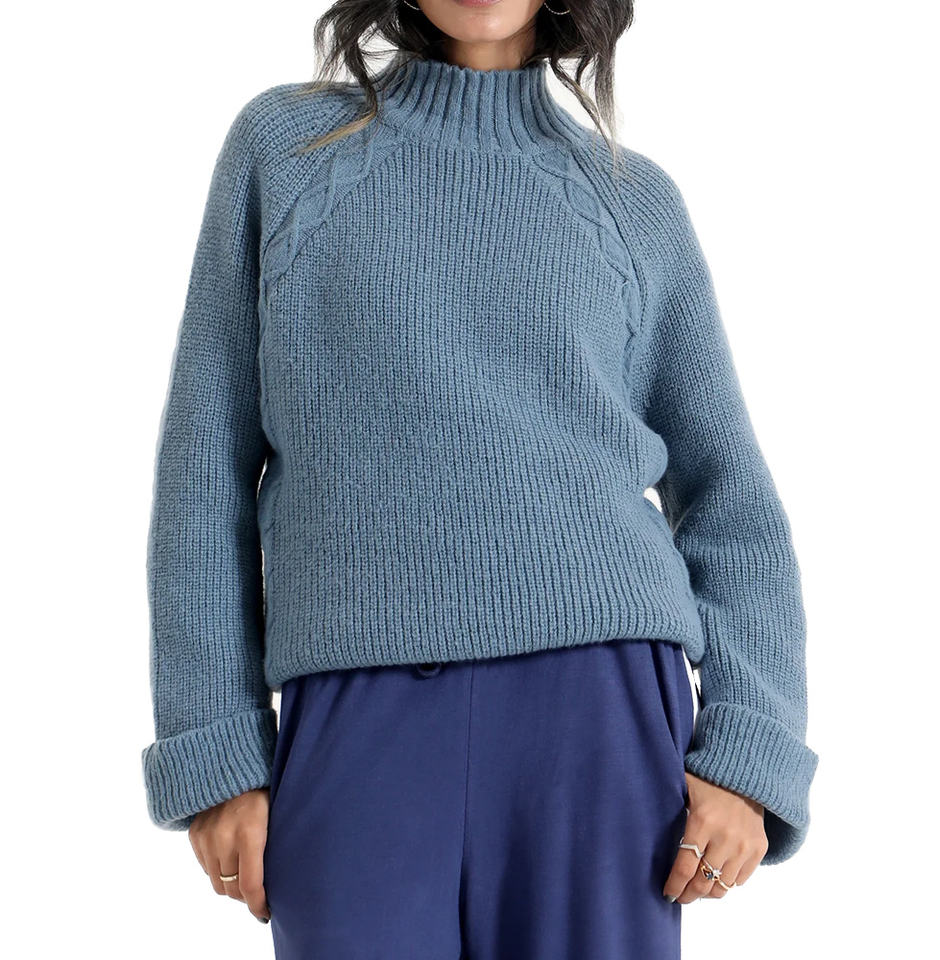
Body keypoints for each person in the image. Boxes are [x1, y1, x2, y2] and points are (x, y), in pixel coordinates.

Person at [141, 1, 820, 956]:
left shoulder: (633, 204)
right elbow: (204, 464)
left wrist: (752, 754)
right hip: (355, 710)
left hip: (601, 712)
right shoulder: (287, 152)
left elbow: (732, 501)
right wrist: (215, 748)